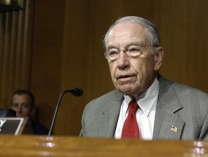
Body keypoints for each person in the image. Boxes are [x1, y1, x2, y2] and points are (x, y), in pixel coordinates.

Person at [80, 16, 208, 140]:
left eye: (133, 50)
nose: (121, 63)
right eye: (113, 53)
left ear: (157, 57)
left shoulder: (200, 110)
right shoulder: (93, 112)